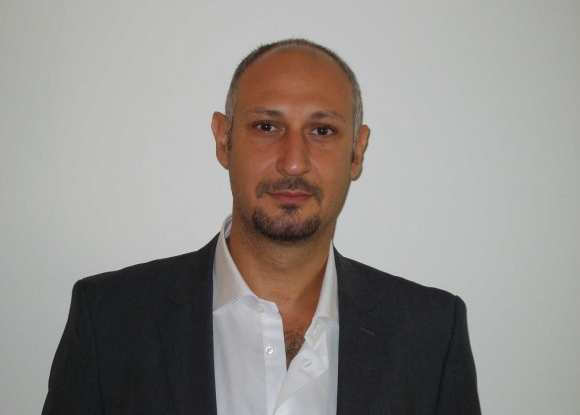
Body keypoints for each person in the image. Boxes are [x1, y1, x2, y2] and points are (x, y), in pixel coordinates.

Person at [43, 38, 481, 414]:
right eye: (267, 126)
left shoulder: (432, 333)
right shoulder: (109, 320)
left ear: (357, 150)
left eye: (322, 130)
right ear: (224, 139)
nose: (293, 162)